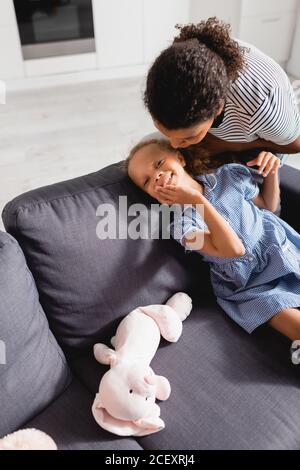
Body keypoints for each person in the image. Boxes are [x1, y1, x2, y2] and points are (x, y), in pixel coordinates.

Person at [125, 139, 300, 341]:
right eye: (146, 181)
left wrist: (272, 169)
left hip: (284, 253)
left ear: (180, 158)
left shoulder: (228, 176)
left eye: (159, 164)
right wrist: (198, 201)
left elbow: (268, 208)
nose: (157, 176)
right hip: (251, 287)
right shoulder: (183, 229)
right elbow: (234, 250)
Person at [144, 17, 300, 204]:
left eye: (188, 137)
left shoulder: (262, 107)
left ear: (217, 109)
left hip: (260, 142)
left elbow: (296, 144)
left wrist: (234, 145)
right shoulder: (179, 62)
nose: (175, 144)